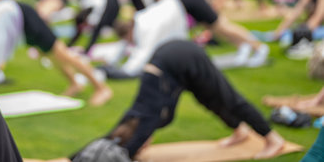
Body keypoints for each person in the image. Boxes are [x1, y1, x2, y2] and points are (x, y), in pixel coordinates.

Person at [74, 40, 285, 161]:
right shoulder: (143, 110)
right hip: (172, 63)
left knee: (229, 99)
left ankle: (273, 139)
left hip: (185, 57)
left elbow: (138, 126)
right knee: (208, 100)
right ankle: (239, 130)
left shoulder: (147, 112)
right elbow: (129, 125)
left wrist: (130, 151)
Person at [0, 0, 112, 106]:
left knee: (61, 54)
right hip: (10, 15)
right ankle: (75, 83)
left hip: (23, 15)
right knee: (49, 54)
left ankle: (102, 89)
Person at [106, 0, 269, 78]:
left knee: (221, 26)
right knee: (217, 29)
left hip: (186, 1)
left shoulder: (145, 28)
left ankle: (259, 48)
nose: (130, 42)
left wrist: (124, 71)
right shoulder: (140, 20)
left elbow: (142, 54)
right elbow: (129, 48)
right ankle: (245, 47)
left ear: (128, 33)